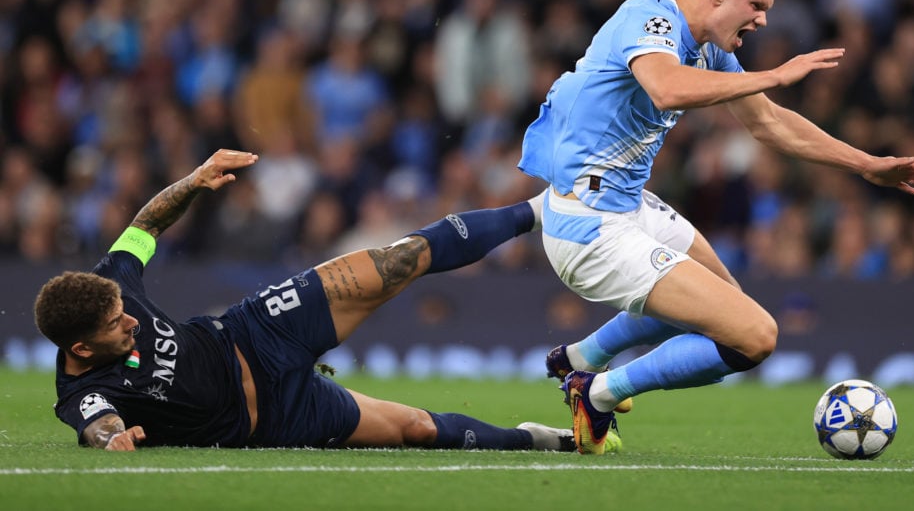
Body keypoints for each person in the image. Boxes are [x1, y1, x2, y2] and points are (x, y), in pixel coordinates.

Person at [518, 0, 914, 454]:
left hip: (627, 205)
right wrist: (776, 75)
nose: (762, 20)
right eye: (756, 5)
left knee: (725, 304)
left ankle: (581, 359)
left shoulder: (710, 47)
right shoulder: (650, 18)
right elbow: (665, 88)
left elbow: (769, 123)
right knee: (754, 335)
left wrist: (866, 164)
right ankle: (599, 393)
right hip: (588, 226)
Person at [34, 148, 616, 453]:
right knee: (416, 429)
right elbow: (98, 425)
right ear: (81, 348)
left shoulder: (112, 282)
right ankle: (548, 439)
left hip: (256, 331)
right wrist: (115, 438)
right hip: (276, 419)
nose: (131, 320)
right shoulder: (84, 393)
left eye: (124, 309)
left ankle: (543, 208)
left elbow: (144, 225)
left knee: (396, 261)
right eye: (116, 324)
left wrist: (193, 181)